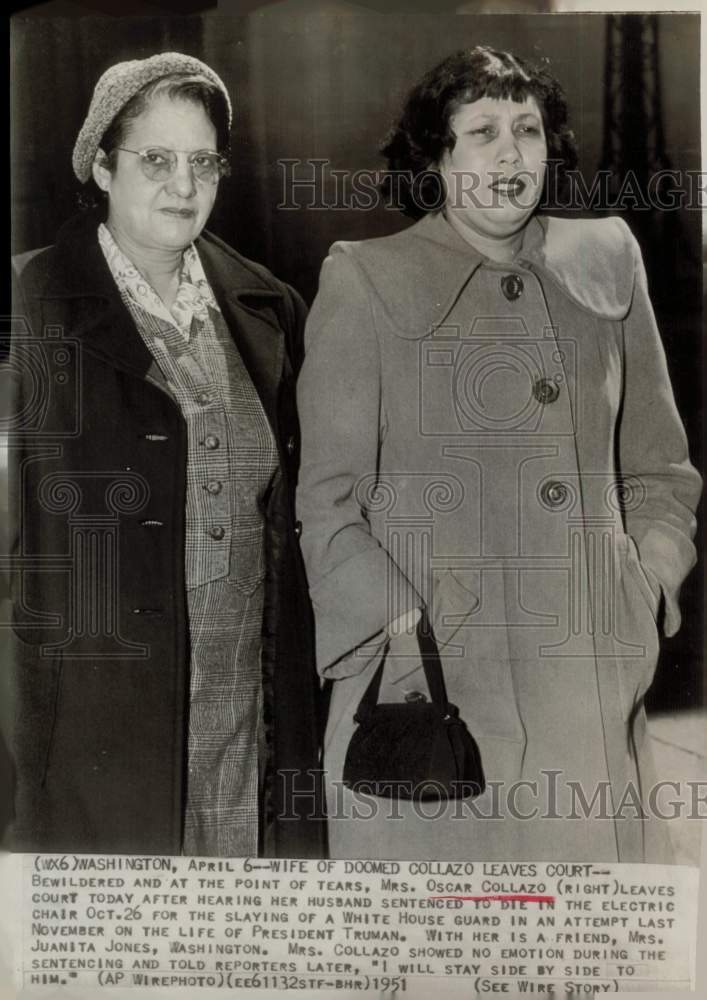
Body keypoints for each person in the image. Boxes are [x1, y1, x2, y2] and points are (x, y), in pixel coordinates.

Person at [296, 46, 701, 861]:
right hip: (435, 682)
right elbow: (328, 500)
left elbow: (660, 470)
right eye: (481, 131)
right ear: (435, 158)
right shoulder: (366, 280)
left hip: (584, 673)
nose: (512, 153)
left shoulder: (608, 261)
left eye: (528, 129)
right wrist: (396, 627)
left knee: (588, 954)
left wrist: (639, 586)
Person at [9, 52, 324, 857]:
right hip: (91, 724)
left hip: (246, 715)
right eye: (155, 159)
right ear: (102, 168)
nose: (183, 186)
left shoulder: (269, 307)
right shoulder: (27, 310)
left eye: (202, 162)